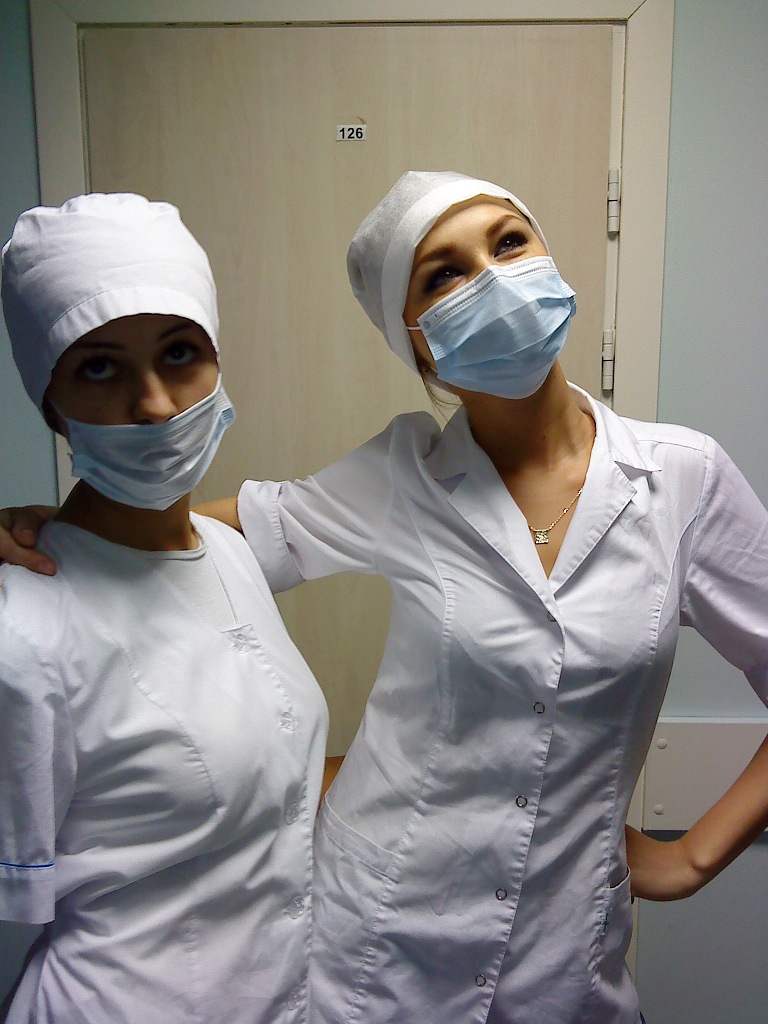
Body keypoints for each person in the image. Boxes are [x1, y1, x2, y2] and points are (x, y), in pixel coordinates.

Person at [4, 171, 768, 1024]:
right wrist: (46, 529)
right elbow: (196, 533)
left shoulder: (681, 479)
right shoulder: (403, 475)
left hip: (568, 958)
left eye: (509, 242)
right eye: (444, 275)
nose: (492, 281)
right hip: (372, 946)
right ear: (417, 344)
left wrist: (693, 858)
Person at [0, 193, 328, 1024]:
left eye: (180, 353)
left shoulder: (227, 553)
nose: (154, 403)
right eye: (99, 367)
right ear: (49, 401)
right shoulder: (24, 626)